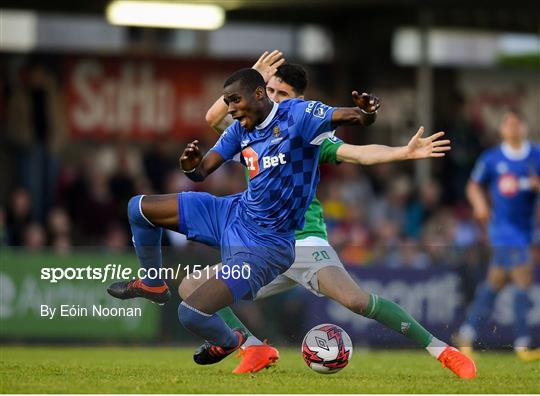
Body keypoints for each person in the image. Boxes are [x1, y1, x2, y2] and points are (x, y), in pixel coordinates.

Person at [179, 52, 476, 379]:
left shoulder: (304, 129)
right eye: (271, 90)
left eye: (283, 94)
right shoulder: (249, 130)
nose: (275, 98)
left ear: (298, 100)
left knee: (356, 301)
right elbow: (213, 117)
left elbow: (359, 154)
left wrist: (402, 152)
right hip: (261, 244)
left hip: (303, 239)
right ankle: (253, 347)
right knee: (192, 286)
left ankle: (443, 351)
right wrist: (252, 73)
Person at [108, 67, 382, 367]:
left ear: (259, 93)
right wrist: (190, 167)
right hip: (233, 214)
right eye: (227, 102)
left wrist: (366, 112)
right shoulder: (240, 130)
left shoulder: (298, 115)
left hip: (266, 246)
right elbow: (202, 172)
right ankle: (152, 283)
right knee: (139, 208)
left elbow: (354, 117)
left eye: (235, 100)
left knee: (190, 313)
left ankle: (236, 341)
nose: (231, 108)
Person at [456, 109, 540, 362]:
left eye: (517, 124)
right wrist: (480, 205)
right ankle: (523, 343)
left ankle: (466, 332)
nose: (513, 128)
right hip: (502, 228)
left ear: (523, 127)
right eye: (509, 124)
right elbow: (472, 186)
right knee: (523, 279)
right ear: (502, 129)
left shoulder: (535, 155)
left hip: (525, 229)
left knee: (495, 283)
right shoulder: (492, 158)